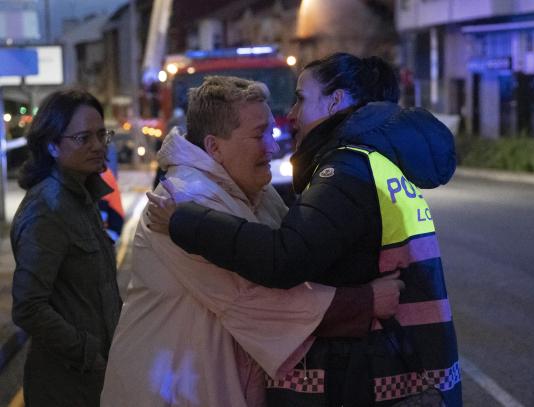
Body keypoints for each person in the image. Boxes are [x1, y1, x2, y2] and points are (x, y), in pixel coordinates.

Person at [148, 53, 462, 406]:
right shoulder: (372, 161)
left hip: (378, 371)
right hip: (400, 364)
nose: (293, 113)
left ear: (336, 100)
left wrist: (183, 220)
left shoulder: (344, 170)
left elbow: (284, 258)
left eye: (300, 97)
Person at [102, 76, 403, 406]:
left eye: (271, 132)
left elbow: (288, 254)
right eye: (260, 135)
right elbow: (251, 298)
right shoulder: (183, 200)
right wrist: (363, 302)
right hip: (170, 389)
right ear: (214, 146)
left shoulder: (253, 190)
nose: (272, 147)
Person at [11, 89, 122, 406]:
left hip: (96, 379)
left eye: (102, 135)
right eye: (84, 138)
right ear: (52, 145)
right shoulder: (48, 209)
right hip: (65, 386)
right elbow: (28, 307)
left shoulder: (81, 197)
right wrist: (89, 352)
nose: (98, 146)